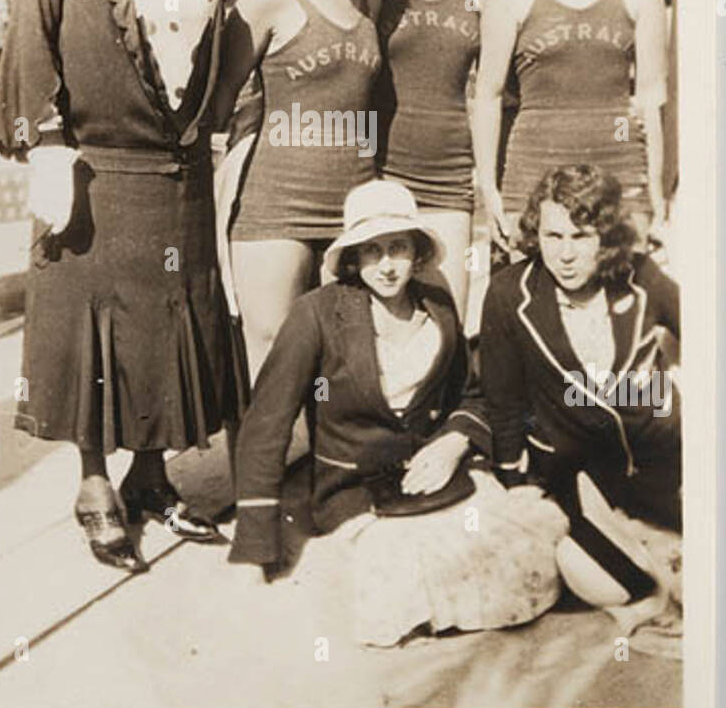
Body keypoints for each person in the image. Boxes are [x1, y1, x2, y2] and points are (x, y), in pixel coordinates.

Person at [0, 0, 242, 572]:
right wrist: (47, 143)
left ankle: (152, 475)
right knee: (93, 330)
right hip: (95, 167)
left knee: (172, 320)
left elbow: (216, 34)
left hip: (177, 166)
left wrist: (223, 123)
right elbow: (31, 34)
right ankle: (95, 481)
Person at [229, 179, 568, 648]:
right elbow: (267, 423)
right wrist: (254, 545)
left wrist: (453, 442)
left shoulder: (439, 306)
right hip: (355, 490)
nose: (387, 266)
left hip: (435, 479)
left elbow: (470, 394)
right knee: (402, 579)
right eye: (372, 251)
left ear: (417, 251)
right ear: (352, 257)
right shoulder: (317, 314)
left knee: (518, 552)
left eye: (398, 248)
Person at [212, 0, 383, 383]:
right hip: (275, 205)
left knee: (339, 358)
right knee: (271, 354)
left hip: (352, 203)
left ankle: (321, 468)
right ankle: (258, 468)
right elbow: (218, 105)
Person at [473, 0, 667, 255]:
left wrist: (656, 193)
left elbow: (651, 99)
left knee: (620, 302)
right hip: (533, 170)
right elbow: (488, 98)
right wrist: (490, 189)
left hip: (618, 164)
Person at [478, 164, 681, 532]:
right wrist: (513, 483)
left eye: (581, 236)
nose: (565, 254)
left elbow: (712, 336)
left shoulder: (640, 275)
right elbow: (503, 404)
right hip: (571, 483)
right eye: (553, 236)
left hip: (658, 471)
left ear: (605, 237)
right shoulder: (508, 293)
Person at [369, 0, 496, 320]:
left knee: (447, 321)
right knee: (378, 326)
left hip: (448, 176)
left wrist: (488, 182)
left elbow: (493, 91)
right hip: (378, 171)